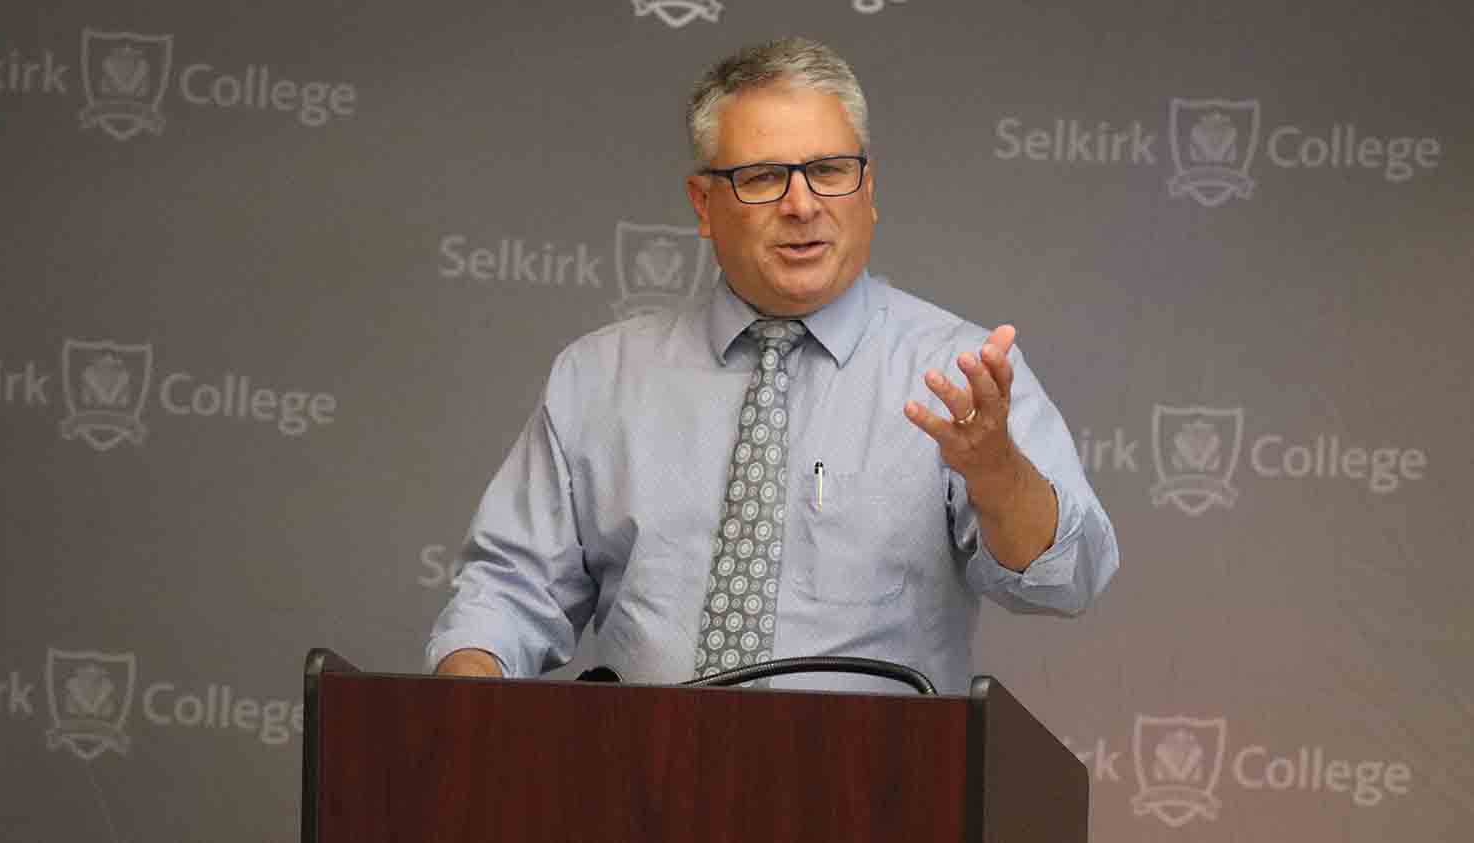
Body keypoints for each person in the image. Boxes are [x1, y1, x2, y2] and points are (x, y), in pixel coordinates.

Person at [428, 37, 1117, 694]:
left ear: (868, 189)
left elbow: (1071, 578)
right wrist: (464, 713)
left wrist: (998, 474)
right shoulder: (598, 378)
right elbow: (508, 592)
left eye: (828, 170)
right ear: (703, 204)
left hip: (878, 797)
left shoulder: (961, 371)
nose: (801, 204)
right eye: (761, 177)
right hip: (640, 795)